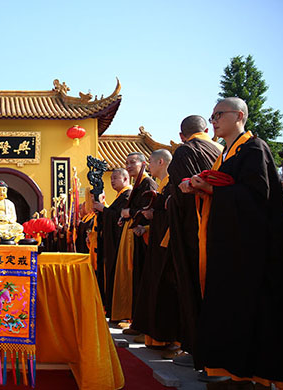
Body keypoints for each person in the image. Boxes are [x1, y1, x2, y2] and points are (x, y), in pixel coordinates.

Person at [183, 97, 283, 387]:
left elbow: (255, 197)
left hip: (253, 249)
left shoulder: (254, 149)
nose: (212, 121)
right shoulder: (224, 155)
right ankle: (232, 368)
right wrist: (199, 187)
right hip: (228, 245)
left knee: (255, 310)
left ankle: (255, 372)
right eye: (211, 116)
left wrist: (211, 188)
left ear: (239, 116)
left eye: (218, 115)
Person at [167, 115, 222, 368]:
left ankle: (200, 350)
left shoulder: (184, 153)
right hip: (226, 229)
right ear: (208, 130)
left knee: (195, 285)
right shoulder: (222, 150)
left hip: (195, 230)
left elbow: (183, 192)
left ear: (181, 136)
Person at [130, 149, 178, 349]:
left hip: (168, 244)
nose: (148, 167)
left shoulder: (171, 184)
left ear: (160, 161)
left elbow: (173, 213)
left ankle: (171, 340)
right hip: (156, 241)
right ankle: (153, 334)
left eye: (149, 162)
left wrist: (151, 216)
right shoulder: (162, 185)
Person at [111, 153, 157, 326]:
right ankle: (132, 317)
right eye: (126, 163)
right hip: (131, 233)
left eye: (132, 162)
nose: (129, 166)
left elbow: (149, 209)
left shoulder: (148, 183)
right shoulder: (138, 185)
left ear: (144, 164)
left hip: (140, 234)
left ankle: (135, 319)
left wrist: (129, 213)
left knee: (137, 274)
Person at [93, 168, 132, 318]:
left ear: (125, 179)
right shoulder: (120, 196)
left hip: (120, 243)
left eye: (115, 178)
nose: (112, 181)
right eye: (111, 178)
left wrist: (104, 210)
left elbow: (118, 217)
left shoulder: (128, 194)